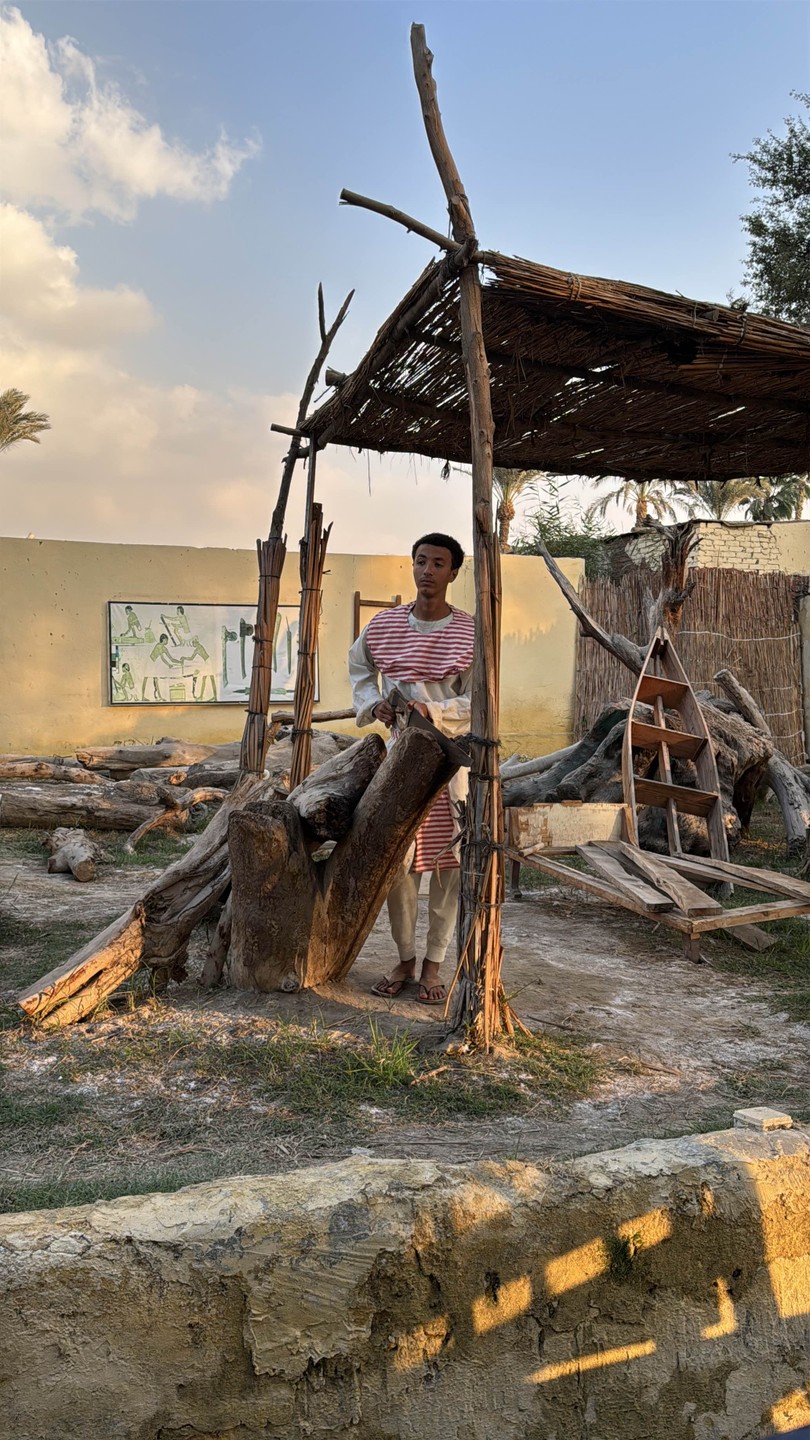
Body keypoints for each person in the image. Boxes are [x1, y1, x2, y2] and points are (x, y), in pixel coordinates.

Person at [348, 533, 473, 1004]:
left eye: (438, 563)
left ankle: (434, 963)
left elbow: (479, 701)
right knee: (398, 864)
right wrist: (374, 703)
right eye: (420, 561)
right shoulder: (383, 627)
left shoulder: (469, 632)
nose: (427, 571)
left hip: (450, 764)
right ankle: (403, 956)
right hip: (401, 761)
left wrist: (433, 712)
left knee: (447, 865)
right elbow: (358, 667)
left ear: (453, 572)